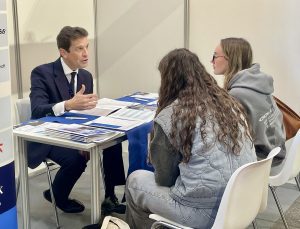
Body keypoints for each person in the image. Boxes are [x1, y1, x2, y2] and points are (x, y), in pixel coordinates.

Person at [125, 48, 257, 228]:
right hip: (243, 202)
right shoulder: (229, 103)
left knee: (136, 180)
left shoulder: (172, 115)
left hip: (204, 214)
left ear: (168, 81)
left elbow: (164, 179)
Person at [28, 26, 126, 214]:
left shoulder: (85, 76)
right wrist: (67, 105)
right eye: (79, 49)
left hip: (76, 131)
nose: (86, 54)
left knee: (113, 140)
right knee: (75, 159)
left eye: (87, 47)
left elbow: (84, 110)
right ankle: (58, 196)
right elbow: (37, 110)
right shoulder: (42, 73)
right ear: (63, 52)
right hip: (48, 134)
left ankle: (110, 196)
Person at [211, 37, 286, 164]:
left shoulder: (237, 94)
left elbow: (225, 137)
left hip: (259, 162)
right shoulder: (259, 83)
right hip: (276, 153)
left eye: (215, 56)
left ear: (230, 59)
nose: (211, 61)